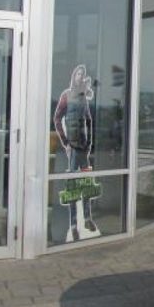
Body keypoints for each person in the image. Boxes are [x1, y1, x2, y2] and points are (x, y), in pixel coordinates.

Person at [53, 65, 100, 242]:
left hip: (83, 148)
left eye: (83, 74)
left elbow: (89, 120)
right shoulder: (66, 95)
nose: (81, 76)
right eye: (78, 73)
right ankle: (73, 225)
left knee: (86, 183)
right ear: (74, 76)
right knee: (73, 186)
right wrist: (65, 142)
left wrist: (89, 143)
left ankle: (87, 218)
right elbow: (57, 118)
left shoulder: (83, 98)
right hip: (72, 147)